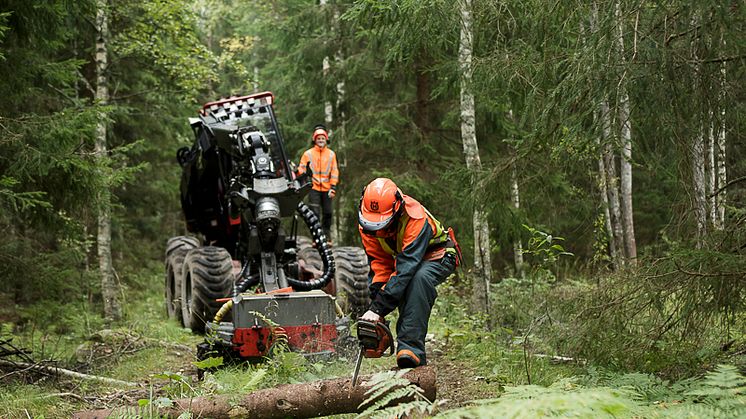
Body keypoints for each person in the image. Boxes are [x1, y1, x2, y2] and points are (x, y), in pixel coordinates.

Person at [358, 177, 459, 368]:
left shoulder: (415, 218)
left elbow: (405, 270)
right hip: (406, 259)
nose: (377, 231)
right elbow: (379, 264)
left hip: (438, 254)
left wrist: (378, 308)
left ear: (397, 209)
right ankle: (399, 342)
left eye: (382, 224)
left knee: (418, 279)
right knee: (399, 282)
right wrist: (377, 311)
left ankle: (411, 350)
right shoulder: (367, 226)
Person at [297, 125, 339, 240]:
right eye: (318, 138)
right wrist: (305, 176)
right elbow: (301, 169)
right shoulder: (308, 154)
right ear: (314, 140)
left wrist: (333, 187)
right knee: (314, 214)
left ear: (326, 140)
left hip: (327, 189)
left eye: (322, 138)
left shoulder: (331, 154)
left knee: (328, 213)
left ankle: (327, 237)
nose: (321, 140)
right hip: (313, 188)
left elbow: (334, 171)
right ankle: (317, 238)